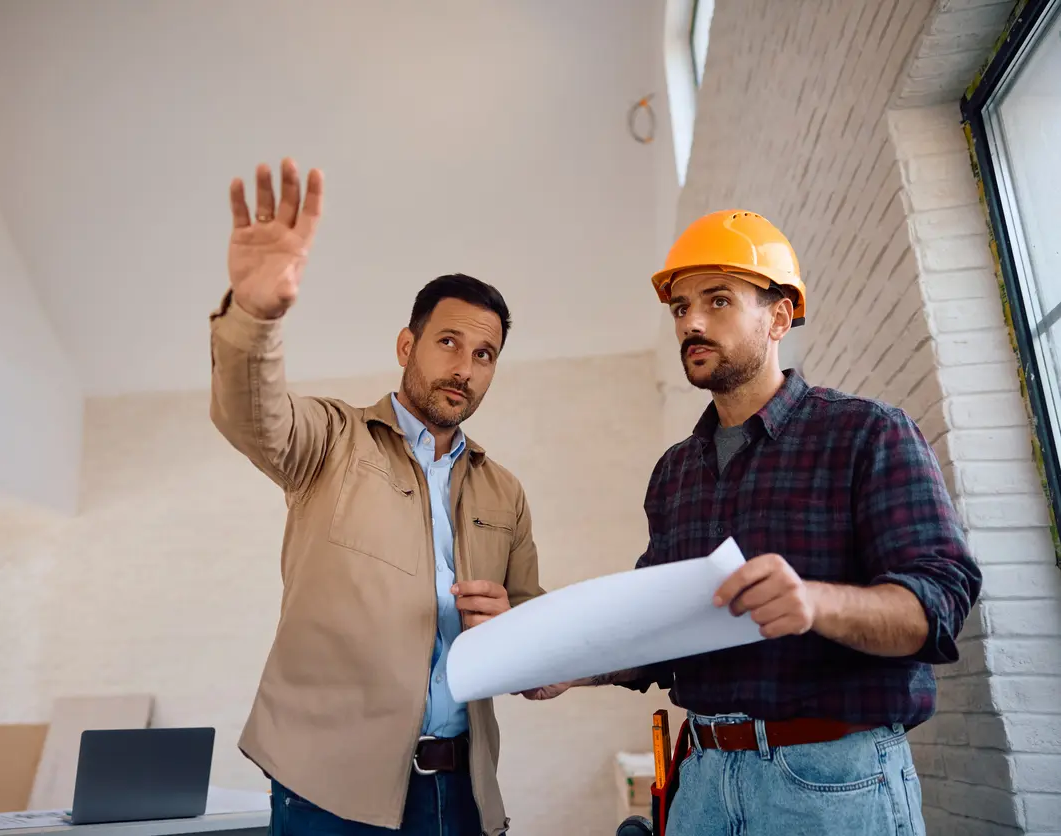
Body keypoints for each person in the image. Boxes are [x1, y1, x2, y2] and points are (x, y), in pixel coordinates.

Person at [526, 210, 981, 835]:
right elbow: (659, 634)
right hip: (703, 781)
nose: (692, 322)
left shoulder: (867, 433)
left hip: (833, 783)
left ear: (780, 316)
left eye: (718, 300)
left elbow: (939, 604)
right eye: (681, 307)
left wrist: (815, 603)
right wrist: (567, 662)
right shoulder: (675, 472)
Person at [209, 158, 544, 836]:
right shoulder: (330, 440)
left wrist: (516, 627)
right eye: (449, 342)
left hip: (463, 793)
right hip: (326, 796)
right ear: (406, 344)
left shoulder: (504, 491)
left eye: (485, 355)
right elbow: (252, 413)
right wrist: (253, 316)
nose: (464, 368)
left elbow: (534, 629)